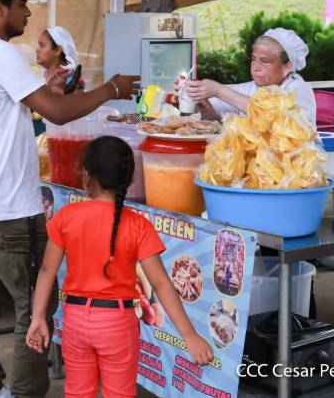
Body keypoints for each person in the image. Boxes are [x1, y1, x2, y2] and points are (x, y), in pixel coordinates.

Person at [0, 0, 141, 398]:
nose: (27, 13)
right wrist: (112, 88)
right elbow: (57, 113)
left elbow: (14, 106)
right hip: (11, 208)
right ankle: (26, 392)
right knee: (33, 306)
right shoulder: (1, 54)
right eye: (21, 5)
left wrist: (44, 86)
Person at [26, 136, 214, 397]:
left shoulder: (66, 217)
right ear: (128, 180)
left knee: (78, 393)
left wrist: (38, 317)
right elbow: (160, 283)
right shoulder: (138, 225)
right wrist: (189, 334)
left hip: (75, 320)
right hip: (118, 323)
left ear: (87, 175)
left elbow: (47, 270)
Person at [176, 28, 316, 125]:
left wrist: (219, 90)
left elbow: (274, 115)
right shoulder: (251, 88)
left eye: (264, 61)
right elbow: (215, 117)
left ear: (287, 67)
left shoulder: (299, 90)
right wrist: (193, 100)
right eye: (254, 59)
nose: (255, 67)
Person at [36, 26, 85, 95]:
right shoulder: (42, 75)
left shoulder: (70, 77)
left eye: (42, 45)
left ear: (58, 50)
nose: (37, 50)